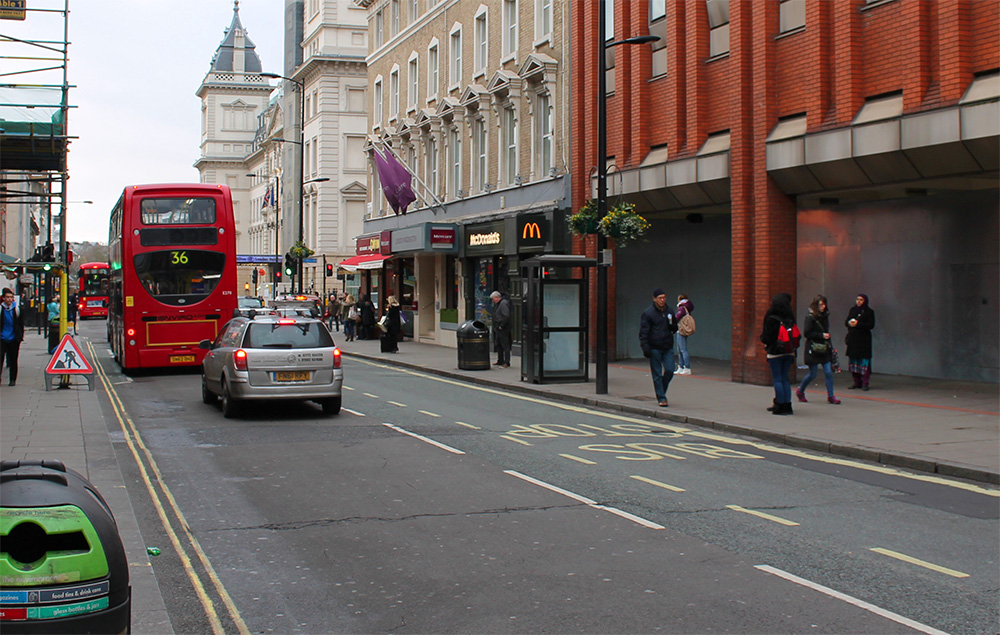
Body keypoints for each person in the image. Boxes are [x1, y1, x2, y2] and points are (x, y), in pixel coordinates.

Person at [796, 295, 841, 405]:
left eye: (824, 304)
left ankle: (831, 396)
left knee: (828, 372)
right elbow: (807, 333)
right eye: (821, 304)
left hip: (824, 348)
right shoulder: (810, 317)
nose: (823, 306)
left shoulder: (825, 316)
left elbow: (827, 333)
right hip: (814, 348)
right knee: (813, 374)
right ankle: (800, 390)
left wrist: (831, 346)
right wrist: (821, 335)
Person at [639, 288, 677, 407]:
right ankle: (661, 397)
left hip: (667, 346)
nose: (662, 300)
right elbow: (644, 331)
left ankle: (661, 390)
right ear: (654, 299)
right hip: (654, 347)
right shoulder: (648, 313)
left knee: (670, 370)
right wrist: (645, 347)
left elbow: (674, 327)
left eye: (664, 298)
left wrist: (673, 326)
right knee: (657, 374)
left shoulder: (669, 311)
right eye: (660, 298)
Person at [760, 292, 797, 415]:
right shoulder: (790, 317)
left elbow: (766, 337)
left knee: (777, 379)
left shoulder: (771, 318)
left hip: (775, 352)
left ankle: (780, 406)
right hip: (788, 351)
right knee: (785, 378)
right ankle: (787, 405)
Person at [845, 293, 876, 391]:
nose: (858, 301)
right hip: (853, 339)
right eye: (857, 299)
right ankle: (856, 382)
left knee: (864, 362)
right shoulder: (853, 310)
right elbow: (846, 322)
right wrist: (850, 323)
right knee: (854, 361)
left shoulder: (869, 312)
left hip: (864, 340)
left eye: (861, 300)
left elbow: (871, 325)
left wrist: (858, 324)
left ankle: (865, 382)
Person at [0, 288, 25, 387]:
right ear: (3, 298)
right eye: (7, 297)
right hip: (2, 338)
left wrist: (20, 337)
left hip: (14, 339)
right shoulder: (1, 309)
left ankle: (12, 379)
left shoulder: (17, 309)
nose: (9, 299)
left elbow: (21, 324)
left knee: (13, 360)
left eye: (11, 297)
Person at [491, 291, 512, 368]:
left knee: (505, 345)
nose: (493, 301)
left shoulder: (503, 303)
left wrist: (502, 325)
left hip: (503, 328)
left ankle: (507, 362)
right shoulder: (498, 304)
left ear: (497, 297)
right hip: (498, 327)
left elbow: (506, 316)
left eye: (493, 299)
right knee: (498, 344)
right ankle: (500, 360)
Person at [674, 294, 694, 375]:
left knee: (682, 349)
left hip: (681, 330)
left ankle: (686, 367)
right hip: (682, 329)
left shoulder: (682, 308)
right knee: (680, 349)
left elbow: (677, 317)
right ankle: (681, 366)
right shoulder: (686, 308)